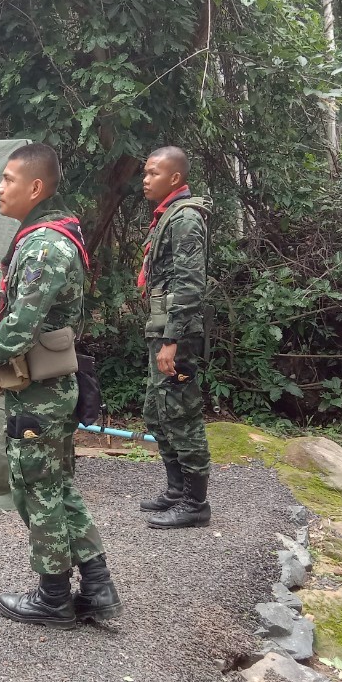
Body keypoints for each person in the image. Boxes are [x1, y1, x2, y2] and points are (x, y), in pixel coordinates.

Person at [0, 143, 122, 628]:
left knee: (37, 488)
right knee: (56, 485)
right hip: (45, 387)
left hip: (41, 393)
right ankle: (97, 587)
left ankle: (54, 598)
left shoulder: (44, 246)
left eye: (8, 179)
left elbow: (21, 325)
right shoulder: (45, 238)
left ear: (34, 187)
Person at [135, 146, 213, 528]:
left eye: (153, 173)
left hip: (176, 335)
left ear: (175, 178)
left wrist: (172, 340)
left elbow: (190, 284)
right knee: (157, 411)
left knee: (181, 413)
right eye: (145, 173)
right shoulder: (167, 216)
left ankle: (195, 503)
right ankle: (177, 490)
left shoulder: (185, 219)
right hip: (163, 329)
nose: (145, 179)